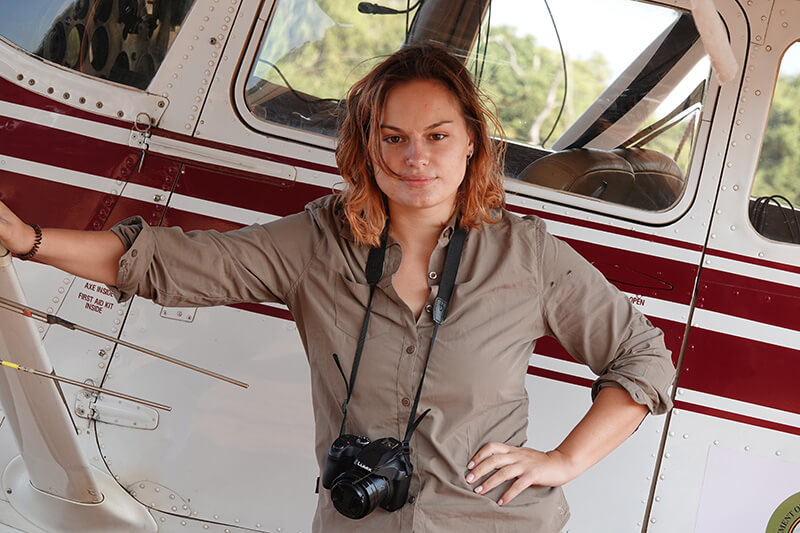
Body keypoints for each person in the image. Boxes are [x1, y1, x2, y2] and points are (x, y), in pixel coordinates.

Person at [0, 43, 675, 532]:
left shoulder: (525, 254)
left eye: (438, 135)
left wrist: (562, 460)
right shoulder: (319, 242)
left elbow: (643, 358)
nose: (416, 157)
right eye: (394, 137)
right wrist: (28, 239)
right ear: (367, 147)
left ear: (472, 141)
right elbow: (170, 262)